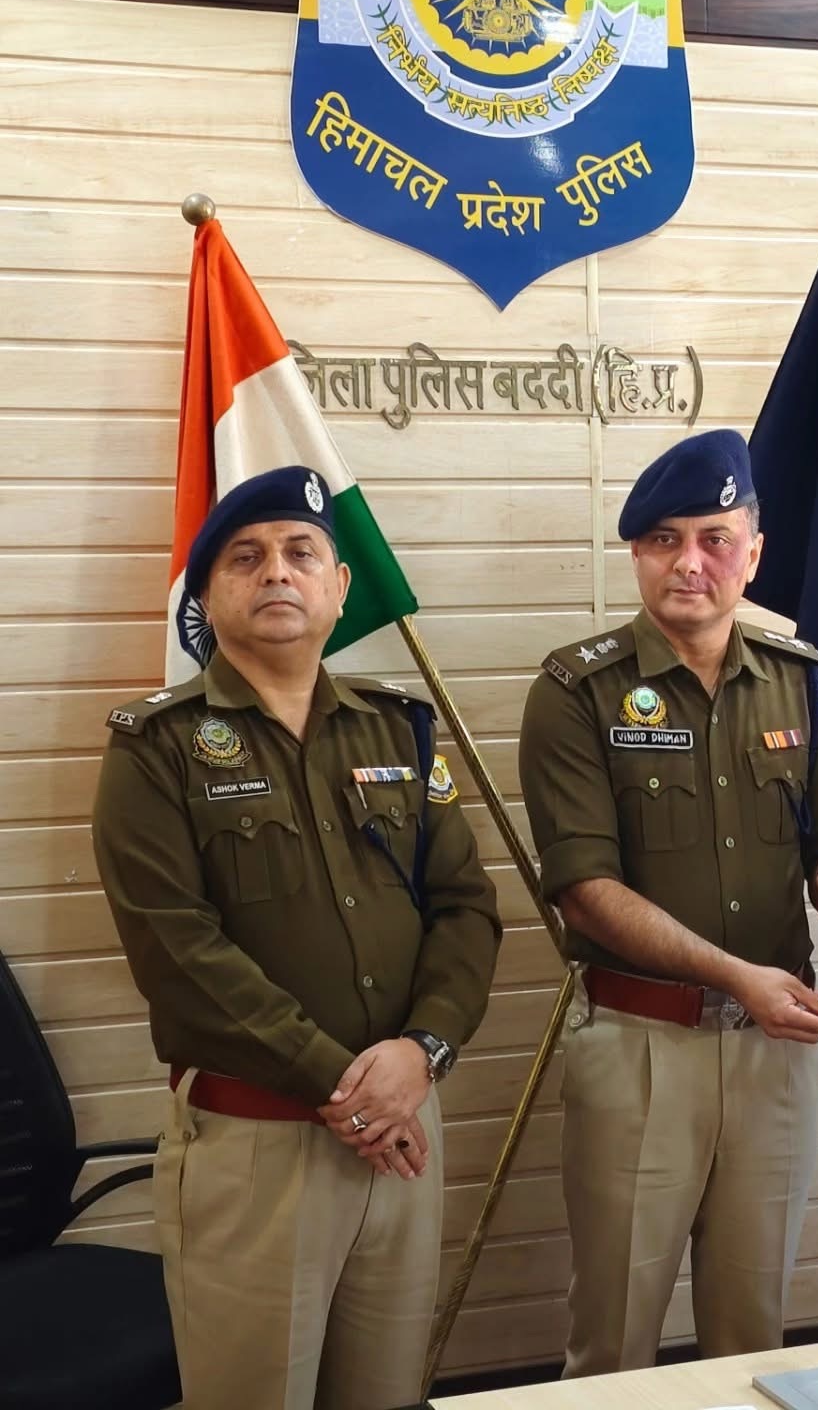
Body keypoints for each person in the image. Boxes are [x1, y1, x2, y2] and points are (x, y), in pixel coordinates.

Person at [92, 466, 503, 1410]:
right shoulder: (157, 748)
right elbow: (179, 955)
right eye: (246, 557)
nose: (277, 571)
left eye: (300, 552)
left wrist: (423, 1052)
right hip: (258, 1147)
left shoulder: (397, 732)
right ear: (205, 597)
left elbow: (467, 909)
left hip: (404, 1130)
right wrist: (348, 1090)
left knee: (386, 1394)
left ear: (340, 586)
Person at [518, 428, 818, 1376]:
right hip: (641, 1051)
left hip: (772, 1053)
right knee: (614, 1338)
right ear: (636, 552)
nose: (690, 563)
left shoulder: (797, 677)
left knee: (755, 1336)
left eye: (716, 540)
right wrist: (736, 976)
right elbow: (587, 894)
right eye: (664, 540)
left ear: (753, 554)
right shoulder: (576, 691)